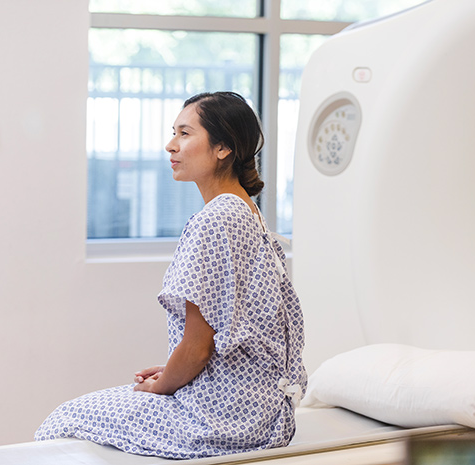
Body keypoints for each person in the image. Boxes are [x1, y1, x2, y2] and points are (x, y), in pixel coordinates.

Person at [34, 91, 307, 459]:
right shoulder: (246, 212)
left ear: (223, 147)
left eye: (184, 134)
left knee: (63, 418)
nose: (170, 145)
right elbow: (229, 337)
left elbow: (197, 348)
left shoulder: (215, 220)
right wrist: (171, 371)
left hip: (222, 418)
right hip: (264, 412)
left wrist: (162, 385)